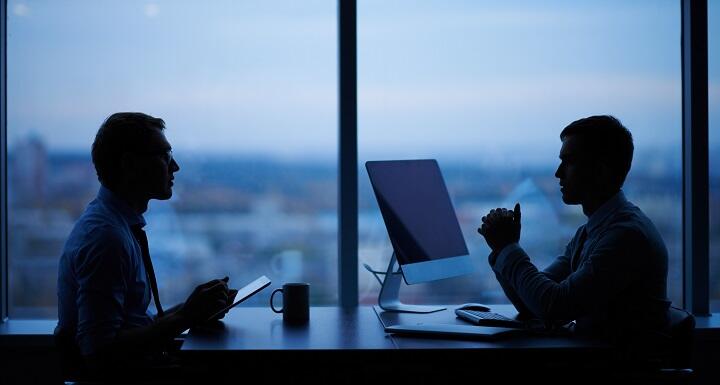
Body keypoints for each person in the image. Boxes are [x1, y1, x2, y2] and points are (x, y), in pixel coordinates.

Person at [56, 112, 233, 379]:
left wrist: (192, 310)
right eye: (164, 156)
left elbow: (129, 324)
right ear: (129, 164)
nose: (175, 167)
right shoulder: (107, 239)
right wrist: (185, 317)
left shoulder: (113, 226)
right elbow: (99, 352)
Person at [477, 115, 670, 350]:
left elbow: (553, 308)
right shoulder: (593, 231)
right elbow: (533, 305)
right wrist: (502, 249)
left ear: (599, 170)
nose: (558, 173)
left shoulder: (627, 237)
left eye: (568, 162)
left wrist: (508, 248)